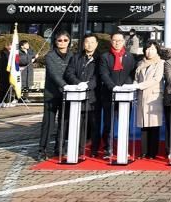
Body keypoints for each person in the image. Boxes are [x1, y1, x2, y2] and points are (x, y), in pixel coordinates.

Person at [98, 31, 136, 159]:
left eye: (119, 40)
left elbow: (132, 74)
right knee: (108, 123)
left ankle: (123, 148)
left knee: (124, 123)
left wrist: (126, 87)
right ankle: (108, 149)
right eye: (114, 40)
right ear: (111, 41)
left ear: (124, 42)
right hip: (109, 94)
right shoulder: (105, 56)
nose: (117, 43)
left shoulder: (130, 57)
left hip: (125, 95)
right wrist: (113, 87)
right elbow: (104, 74)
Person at [37, 30, 74, 160]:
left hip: (67, 94)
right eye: (60, 40)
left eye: (65, 40)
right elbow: (54, 74)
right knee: (48, 123)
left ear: (69, 41)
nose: (62, 42)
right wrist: (65, 85)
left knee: (64, 122)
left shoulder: (73, 55)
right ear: (55, 41)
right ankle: (42, 150)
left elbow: (73, 73)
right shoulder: (50, 56)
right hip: (51, 94)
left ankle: (60, 149)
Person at [64, 34, 100, 157]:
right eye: (87, 42)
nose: (89, 45)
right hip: (77, 95)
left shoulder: (100, 58)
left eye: (92, 42)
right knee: (79, 124)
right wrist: (78, 83)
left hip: (93, 96)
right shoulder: (76, 57)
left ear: (96, 44)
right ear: (83, 44)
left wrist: (88, 85)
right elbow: (69, 73)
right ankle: (79, 149)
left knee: (94, 124)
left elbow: (99, 76)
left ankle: (94, 150)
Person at [134, 40, 165, 159]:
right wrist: (134, 85)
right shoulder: (140, 63)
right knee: (144, 125)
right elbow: (136, 78)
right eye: (147, 49)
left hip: (154, 97)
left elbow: (156, 79)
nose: (149, 51)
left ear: (157, 50)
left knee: (154, 125)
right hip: (142, 96)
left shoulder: (160, 63)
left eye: (152, 49)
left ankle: (152, 152)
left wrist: (139, 86)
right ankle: (144, 151)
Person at [0, 41, 10, 107]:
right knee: (3, 88)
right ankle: (0, 101)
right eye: (10, 45)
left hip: (8, 73)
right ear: (7, 46)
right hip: (4, 73)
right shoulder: (4, 53)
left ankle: (5, 101)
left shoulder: (9, 53)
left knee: (7, 88)